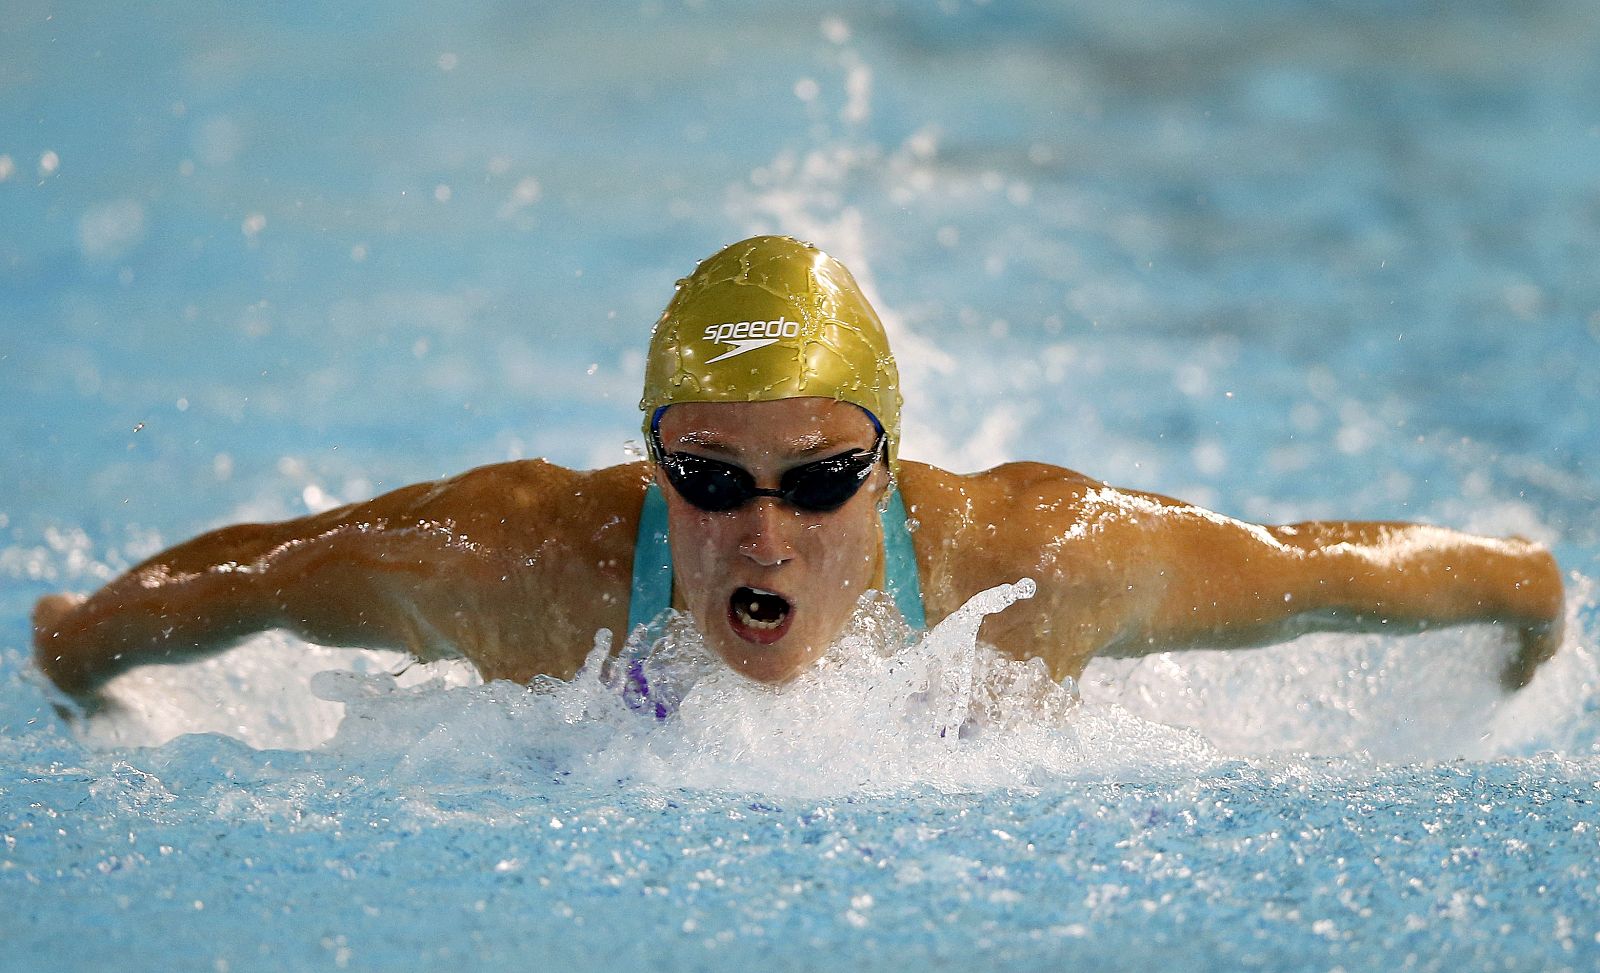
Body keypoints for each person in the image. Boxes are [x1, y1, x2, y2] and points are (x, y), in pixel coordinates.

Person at [32, 236, 1565, 706]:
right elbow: (263, 576)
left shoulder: (1037, 565)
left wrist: (1525, 605)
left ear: (889, 478)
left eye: (822, 482)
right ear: (650, 471)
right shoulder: (519, 566)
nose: (763, 530)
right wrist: (74, 647)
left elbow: (1320, 569)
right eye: (709, 481)